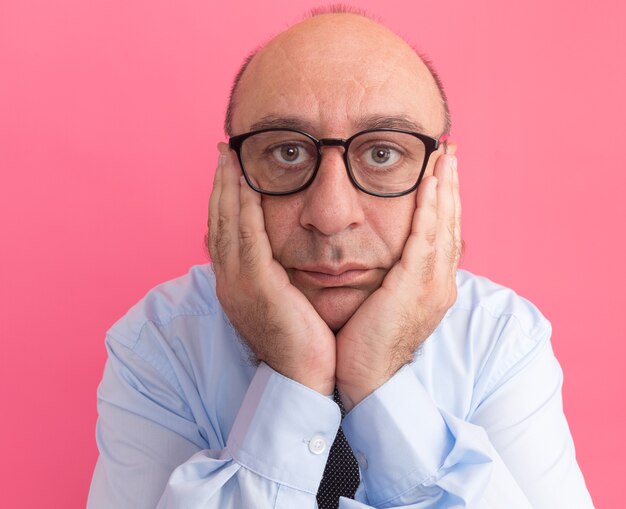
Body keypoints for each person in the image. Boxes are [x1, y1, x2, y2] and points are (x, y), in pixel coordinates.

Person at [87, 9, 594, 509]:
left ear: (440, 178)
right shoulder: (160, 345)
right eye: (288, 151)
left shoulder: (501, 342)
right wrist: (296, 377)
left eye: (381, 154)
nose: (330, 215)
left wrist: (378, 377)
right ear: (233, 175)